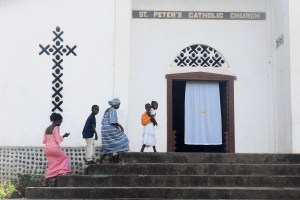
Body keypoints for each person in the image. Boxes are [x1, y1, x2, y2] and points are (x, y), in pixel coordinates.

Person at [97, 98, 129, 164]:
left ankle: (101, 160)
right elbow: (113, 121)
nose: (119, 106)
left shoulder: (107, 110)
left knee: (109, 145)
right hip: (110, 129)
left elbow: (103, 121)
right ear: (115, 104)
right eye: (118, 104)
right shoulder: (113, 110)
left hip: (104, 130)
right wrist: (120, 126)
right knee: (124, 139)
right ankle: (120, 160)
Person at [43, 113, 71, 187]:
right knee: (65, 157)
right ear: (56, 121)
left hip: (47, 148)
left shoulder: (47, 128)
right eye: (60, 122)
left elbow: (44, 140)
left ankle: (45, 182)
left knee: (52, 164)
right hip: (54, 148)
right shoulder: (56, 128)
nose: (60, 124)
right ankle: (62, 173)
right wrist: (64, 136)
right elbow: (58, 140)